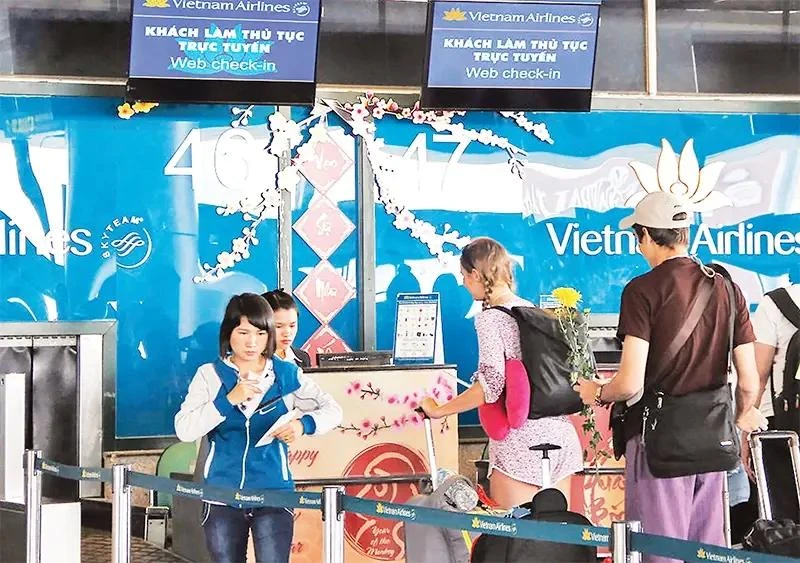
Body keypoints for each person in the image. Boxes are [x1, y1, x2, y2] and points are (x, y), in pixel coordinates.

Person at [575, 193, 767, 562]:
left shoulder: (642, 290)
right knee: (708, 550)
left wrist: (597, 391)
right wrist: (743, 413)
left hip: (659, 442)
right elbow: (748, 379)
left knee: (660, 551)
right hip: (713, 441)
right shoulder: (727, 288)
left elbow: (630, 382)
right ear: (683, 233)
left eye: (638, 237)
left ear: (645, 235)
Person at [175, 293, 342, 563]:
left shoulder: (286, 375)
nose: (252, 342)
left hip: (274, 492)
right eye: (243, 332)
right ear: (228, 333)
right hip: (222, 495)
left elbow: (333, 410)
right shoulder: (209, 375)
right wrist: (228, 400)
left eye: (261, 333)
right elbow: (184, 429)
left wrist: (304, 425)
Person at [421, 237, 583, 509]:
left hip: (521, 443)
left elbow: (491, 384)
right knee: (555, 538)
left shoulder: (490, 318)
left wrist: (440, 410)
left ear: (476, 274)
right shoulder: (530, 310)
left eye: (463, 275)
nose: (462, 283)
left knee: (516, 539)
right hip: (560, 436)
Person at [749, 280, 800, 521]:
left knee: (785, 516)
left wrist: (746, 431)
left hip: (781, 428)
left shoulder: (776, 303)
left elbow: (758, 376)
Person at [262, 289, 312, 368]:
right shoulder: (251, 361)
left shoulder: (302, 358)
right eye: (278, 326)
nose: (287, 333)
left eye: (292, 326)